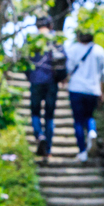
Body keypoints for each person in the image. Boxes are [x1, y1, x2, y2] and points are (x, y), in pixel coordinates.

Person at [64, 31, 104, 163]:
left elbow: (68, 68)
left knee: (78, 121)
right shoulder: (99, 51)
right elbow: (103, 74)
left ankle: (82, 152)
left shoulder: (73, 49)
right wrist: (102, 91)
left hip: (76, 88)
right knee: (89, 116)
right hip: (93, 89)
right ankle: (92, 132)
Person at [27, 18, 64, 162]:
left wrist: (29, 76)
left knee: (35, 112)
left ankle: (39, 135)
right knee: (49, 116)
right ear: (50, 25)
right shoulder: (56, 39)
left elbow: (24, 60)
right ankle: (48, 150)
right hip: (51, 81)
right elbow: (64, 60)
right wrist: (62, 78)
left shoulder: (31, 39)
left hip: (35, 80)